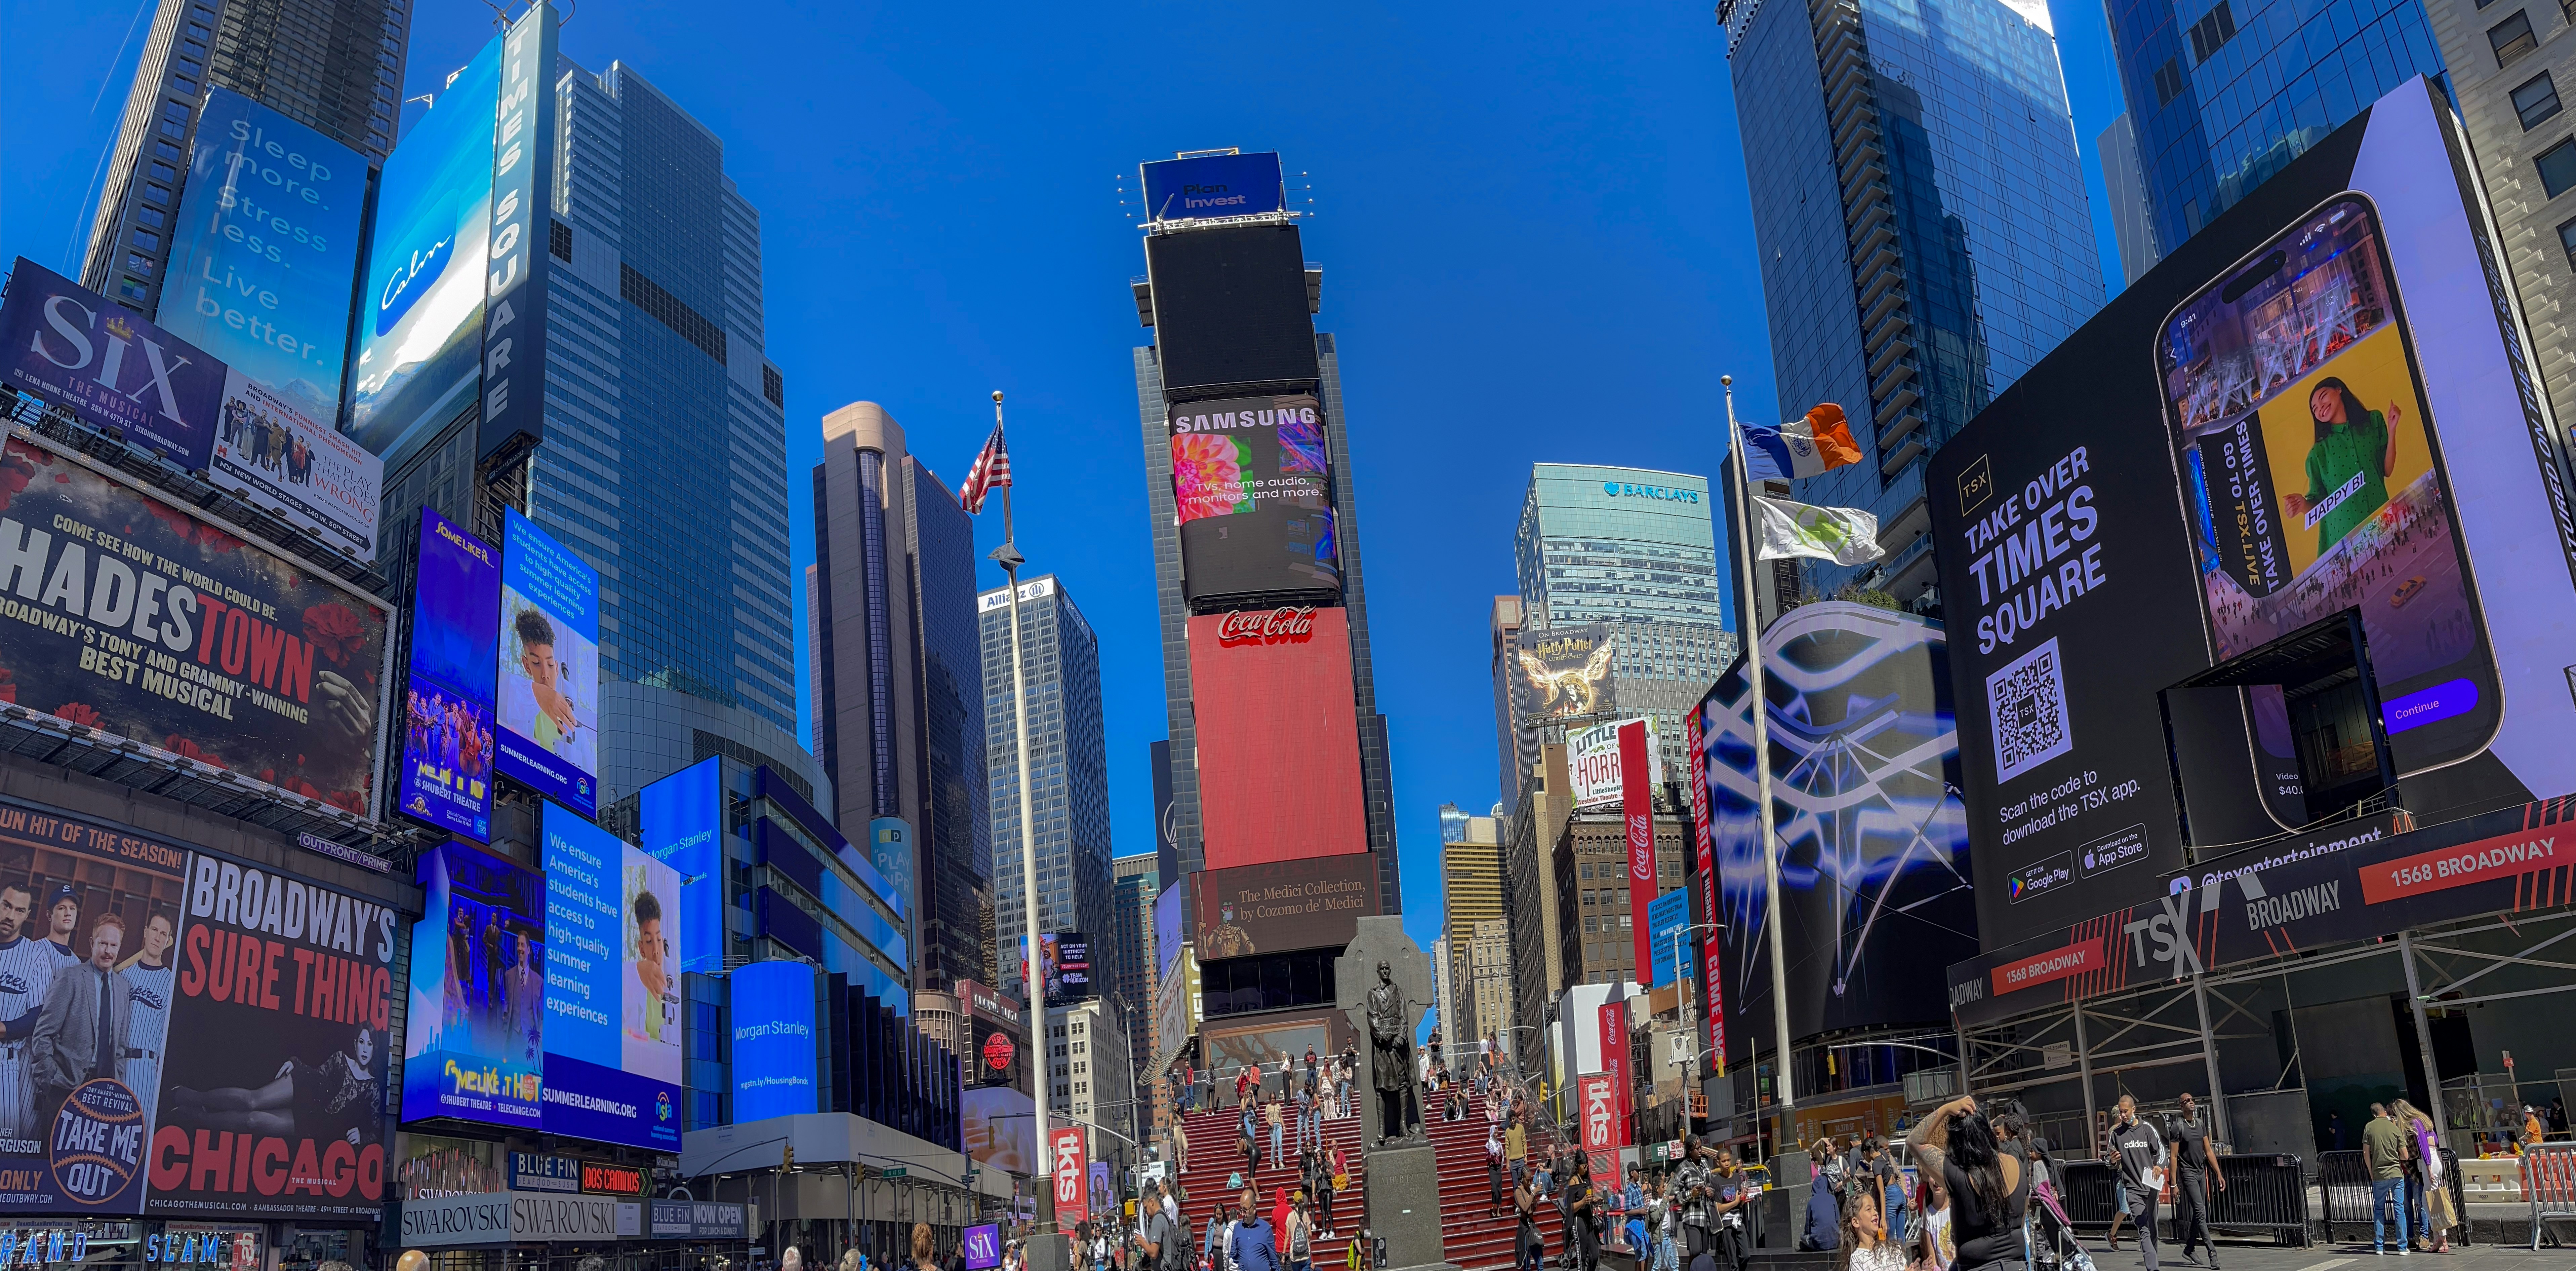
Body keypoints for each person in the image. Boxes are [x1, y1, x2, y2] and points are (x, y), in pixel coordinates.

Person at [161, 1024, 382, 1147]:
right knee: (251, 1101)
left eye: (370, 1044)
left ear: (375, 1049)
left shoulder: (373, 1089)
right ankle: (192, 1097)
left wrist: (363, 1136)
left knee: (252, 1121)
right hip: (305, 1088)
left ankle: (194, 1117)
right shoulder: (340, 1059)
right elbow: (317, 1075)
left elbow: (376, 1130)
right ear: (355, 1044)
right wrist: (295, 1063)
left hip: (315, 1123)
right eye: (362, 1042)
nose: (365, 1049)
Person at [27, 913, 130, 1130]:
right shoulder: (70, 977)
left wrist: (116, 1082)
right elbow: (43, 1034)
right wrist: (50, 1080)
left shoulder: (123, 989)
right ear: (92, 943)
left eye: (114, 945)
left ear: (120, 947)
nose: (108, 951)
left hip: (103, 1093)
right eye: (103, 944)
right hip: (64, 1089)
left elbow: (119, 1048)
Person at [2281, 378, 2399, 554]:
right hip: (2342, 539)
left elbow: (2387, 470)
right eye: (2315, 409)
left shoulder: (2373, 422)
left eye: (2323, 397)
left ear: (2339, 390)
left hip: (2382, 523)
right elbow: (2318, 506)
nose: (2320, 408)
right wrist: (2302, 505)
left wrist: (2392, 429)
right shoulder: (2318, 454)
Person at [114, 910, 174, 1124]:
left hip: (146, 1068)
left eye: (163, 934)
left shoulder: (170, 982)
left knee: (138, 1132)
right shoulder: (124, 974)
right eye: (155, 930)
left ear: (168, 940)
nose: (158, 937)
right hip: (117, 1063)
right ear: (146, 932)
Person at [2102, 1095, 2166, 1270]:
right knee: (2143, 1228)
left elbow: (2162, 1152)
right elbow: (2108, 1161)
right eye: (2120, 1112)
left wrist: (2159, 1166)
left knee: (2153, 1229)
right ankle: (2153, 1268)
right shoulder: (2116, 1134)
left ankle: (2153, 1260)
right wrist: (2113, 1161)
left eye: (2126, 1111)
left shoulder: (2147, 1129)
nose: (2123, 1115)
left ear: (2134, 1110)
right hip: (2132, 1189)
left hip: (2151, 1187)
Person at [2170, 1092, 2227, 1269]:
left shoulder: (2200, 1124)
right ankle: (2213, 1254)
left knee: (2200, 1212)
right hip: (2188, 1174)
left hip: (2201, 1172)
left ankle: (2189, 1249)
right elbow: (2173, 1156)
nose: (2191, 1102)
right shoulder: (2177, 1127)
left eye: (2192, 1100)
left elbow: (2208, 1151)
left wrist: (2218, 1174)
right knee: (2201, 1213)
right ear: (2181, 1106)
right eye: (2187, 1101)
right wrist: (2173, 1184)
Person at [2395, 1101, 2448, 1254]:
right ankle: (2438, 1238)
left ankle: (2442, 1239)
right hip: (2434, 1158)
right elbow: (2434, 1141)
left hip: (2429, 1161)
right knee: (2430, 1201)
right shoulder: (2424, 1120)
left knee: (2431, 1203)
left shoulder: (2415, 1123)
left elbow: (2423, 1146)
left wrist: (2429, 1167)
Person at [2363, 1102, 2412, 1256]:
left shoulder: (2369, 1127)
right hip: (2396, 1174)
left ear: (2374, 1115)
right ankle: (2402, 1247)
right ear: (2385, 1112)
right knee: (2399, 1209)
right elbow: (2405, 1156)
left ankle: (2379, 1246)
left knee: (2379, 1209)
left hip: (2379, 1174)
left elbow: (2366, 1153)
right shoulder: (2394, 1128)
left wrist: (2371, 1172)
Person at [1841, 1188, 1904, 1271]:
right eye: (1869, 1210)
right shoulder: (1858, 1259)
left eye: (1875, 1209)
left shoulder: (1892, 1248)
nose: (1876, 1213)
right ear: (1856, 1222)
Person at [1233, 1190, 1280, 1271]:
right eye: (1241, 1210)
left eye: (1245, 1210)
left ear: (1254, 1208)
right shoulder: (1237, 1229)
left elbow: (1274, 1261)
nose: (1242, 1214)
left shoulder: (1266, 1229)